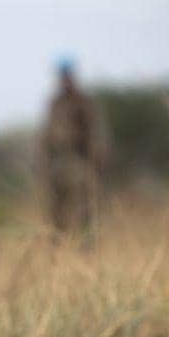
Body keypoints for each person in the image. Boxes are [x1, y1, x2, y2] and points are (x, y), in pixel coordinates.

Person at [40, 56, 106, 237]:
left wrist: (95, 161)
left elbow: (94, 133)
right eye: (61, 75)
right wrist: (44, 161)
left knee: (84, 206)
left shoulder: (83, 101)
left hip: (79, 160)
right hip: (58, 163)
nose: (64, 79)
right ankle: (58, 246)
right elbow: (47, 134)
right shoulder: (55, 102)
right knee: (57, 209)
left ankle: (87, 246)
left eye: (66, 75)